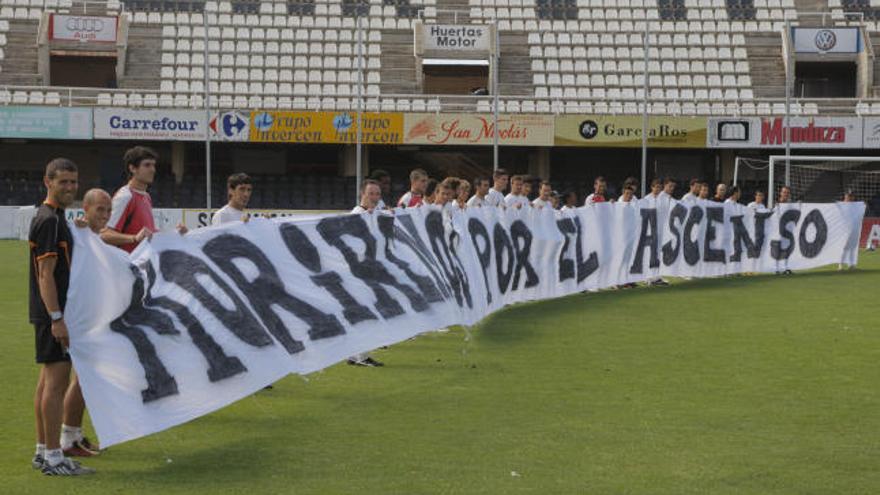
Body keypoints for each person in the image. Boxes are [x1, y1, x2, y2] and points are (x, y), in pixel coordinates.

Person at [29, 158, 95, 475]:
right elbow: (45, 275)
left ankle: (43, 450)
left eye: (73, 181)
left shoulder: (56, 217)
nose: (70, 187)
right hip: (53, 314)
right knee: (56, 384)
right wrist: (57, 318)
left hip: (49, 313)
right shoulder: (49, 220)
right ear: (48, 182)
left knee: (46, 384)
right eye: (63, 182)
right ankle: (54, 457)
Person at [102, 146, 187, 252]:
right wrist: (134, 238)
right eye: (147, 165)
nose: (153, 170)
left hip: (140, 265)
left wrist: (175, 233)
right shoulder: (125, 196)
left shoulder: (146, 196)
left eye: (153, 165)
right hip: (125, 265)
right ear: (132, 168)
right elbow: (104, 235)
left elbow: (148, 234)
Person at [348, 180, 385, 367]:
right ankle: (361, 356)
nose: (375, 198)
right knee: (367, 313)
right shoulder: (357, 214)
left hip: (370, 271)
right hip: (360, 272)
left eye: (378, 194)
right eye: (371, 193)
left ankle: (355, 354)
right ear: (362, 194)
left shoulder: (374, 213)